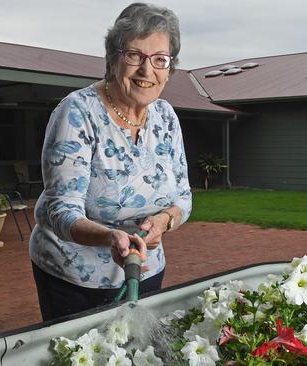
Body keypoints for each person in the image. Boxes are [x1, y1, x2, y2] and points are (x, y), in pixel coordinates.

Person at [29, 2, 191, 321]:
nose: (147, 71)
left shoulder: (166, 117)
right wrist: (110, 237)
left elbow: (183, 198)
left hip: (145, 269)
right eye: (135, 55)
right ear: (113, 58)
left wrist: (165, 221)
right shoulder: (77, 113)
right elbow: (61, 210)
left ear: (170, 67)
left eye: (160, 59)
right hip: (74, 278)